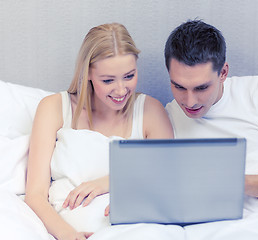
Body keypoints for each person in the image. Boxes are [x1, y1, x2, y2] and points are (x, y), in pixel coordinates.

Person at [25, 23, 173, 240]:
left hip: (136, 229)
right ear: (88, 74)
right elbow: (35, 195)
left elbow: (168, 179)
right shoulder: (54, 107)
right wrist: (68, 235)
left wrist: (109, 182)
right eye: (108, 80)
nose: (121, 90)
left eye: (129, 76)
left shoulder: (150, 111)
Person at [164, 20, 258, 202]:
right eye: (179, 86)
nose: (190, 101)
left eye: (201, 88)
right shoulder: (164, 120)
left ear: (223, 73)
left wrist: (233, 183)